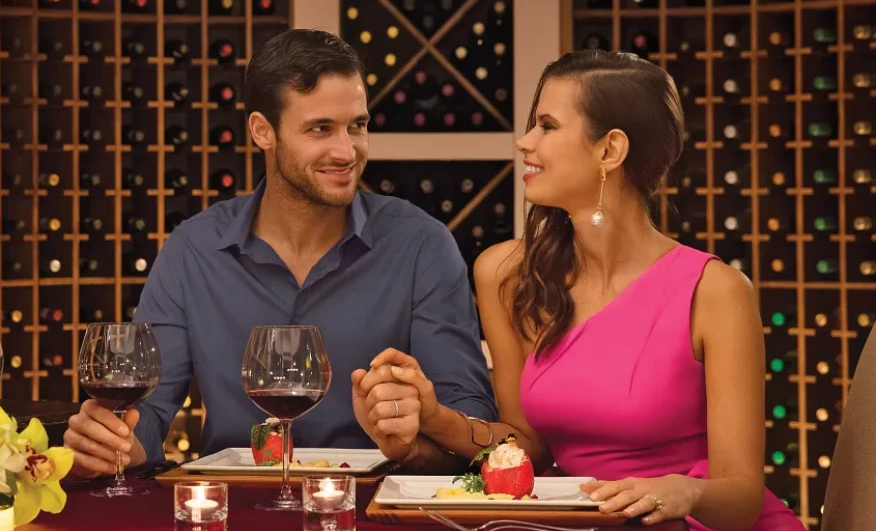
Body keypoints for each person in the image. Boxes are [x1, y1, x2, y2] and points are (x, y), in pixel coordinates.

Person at [353, 50, 805, 530]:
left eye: (547, 126)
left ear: (609, 150)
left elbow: (741, 498)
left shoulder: (715, 291)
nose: (526, 141)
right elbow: (525, 448)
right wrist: (434, 416)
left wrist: (684, 491)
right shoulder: (505, 274)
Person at [63, 28, 496, 477]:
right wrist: (117, 442)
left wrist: (414, 435)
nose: (347, 151)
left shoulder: (422, 245)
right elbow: (148, 415)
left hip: (372, 510)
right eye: (320, 129)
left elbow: (468, 422)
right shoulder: (193, 250)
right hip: (230, 508)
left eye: (358, 126)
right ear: (262, 131)